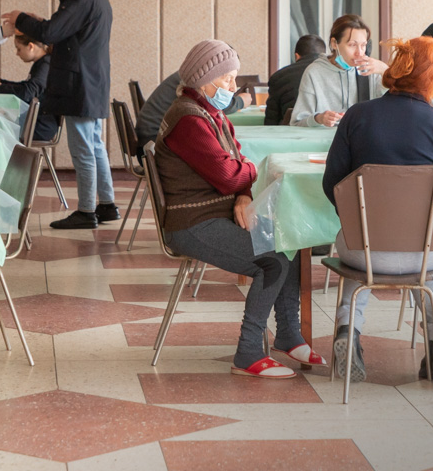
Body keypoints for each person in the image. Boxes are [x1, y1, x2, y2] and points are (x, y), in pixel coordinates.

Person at [155, 40, 321, 378]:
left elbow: (237, 165)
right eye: (227, 79)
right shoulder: (188, 119)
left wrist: (244, 194)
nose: (233, 87)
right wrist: (249, 174)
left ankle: (288, 333)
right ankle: (248, 352)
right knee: (272, 261)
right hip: (191, 223)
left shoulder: (211, 114)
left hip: (213, 213)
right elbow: (231, 174)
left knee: (290, 237)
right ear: (204, 80)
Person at [322, 36, 433, 384]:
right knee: (429, 262)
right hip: (426, 252)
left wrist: (360, 223)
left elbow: (333, 185)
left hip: (363, 251)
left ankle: (347, 332)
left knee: (358, 250)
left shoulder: (357, 116)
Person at [4, 0, 114, 229]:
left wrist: (20, 18)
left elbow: (51, 32)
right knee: (95, 145)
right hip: (92, 82)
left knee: (83, 149)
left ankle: (87, 211)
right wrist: (39, 22)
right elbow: (63, 30)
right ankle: (107, 205)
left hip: (80, 85)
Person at [292, 14, 387, 128]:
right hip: (326, 138)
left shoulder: (370, 71)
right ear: (334, 44)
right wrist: (318, 119)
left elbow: (391, 108)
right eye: (352, 45)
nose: (359, 52)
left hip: (361, 137)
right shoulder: (314, 73)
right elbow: (297, 123)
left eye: (363, 45)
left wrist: (385, 71)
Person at [136, 69, 249, 149]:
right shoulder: (194, 80)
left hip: (150, 139)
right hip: (152, 143)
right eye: (228, 79)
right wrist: (241, 101)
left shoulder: (189, 73)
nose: (233, 88)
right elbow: (219, 107)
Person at [0, 33, 58, 142]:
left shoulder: (45, 65)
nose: (17, 53)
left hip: (39, 126)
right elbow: (25, 86)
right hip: (36, 122)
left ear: (31, 46)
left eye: (19, 49)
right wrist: (1, 82)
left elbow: (28, 93)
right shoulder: (43, 63)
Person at [264, 34, 326, 126]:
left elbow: (271, 120)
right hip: (326, 129)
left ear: (297, 56)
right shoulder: (333, 74)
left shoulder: (279, 76)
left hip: (289, 131)